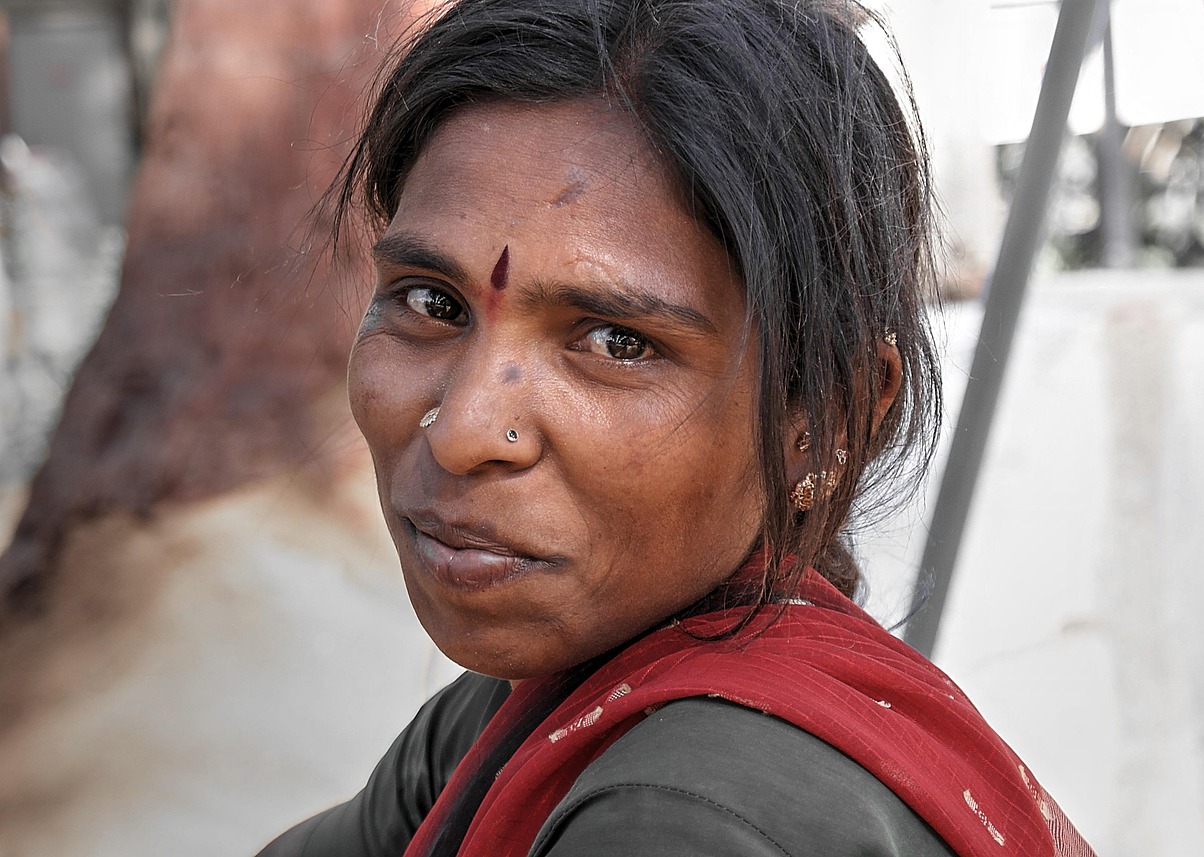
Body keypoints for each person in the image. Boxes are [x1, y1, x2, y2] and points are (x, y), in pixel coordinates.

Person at [259, 0, 1096, 854]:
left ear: (827, 416)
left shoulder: (679, 812)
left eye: (618, 342)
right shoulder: (514, 716)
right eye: (432, 303)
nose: (462, 430)